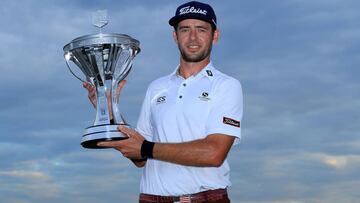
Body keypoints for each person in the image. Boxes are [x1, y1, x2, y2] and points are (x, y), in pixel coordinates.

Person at [84, 1, 243, 202]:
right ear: (175, 36)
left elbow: (214, 153)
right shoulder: (156, 87)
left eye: (201, 29)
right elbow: (139, 157)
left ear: (215, 35)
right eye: (185, 29)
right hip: (151, 198)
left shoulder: (226, 85)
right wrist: (109, 112)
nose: (193, 37)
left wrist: (146, 148)